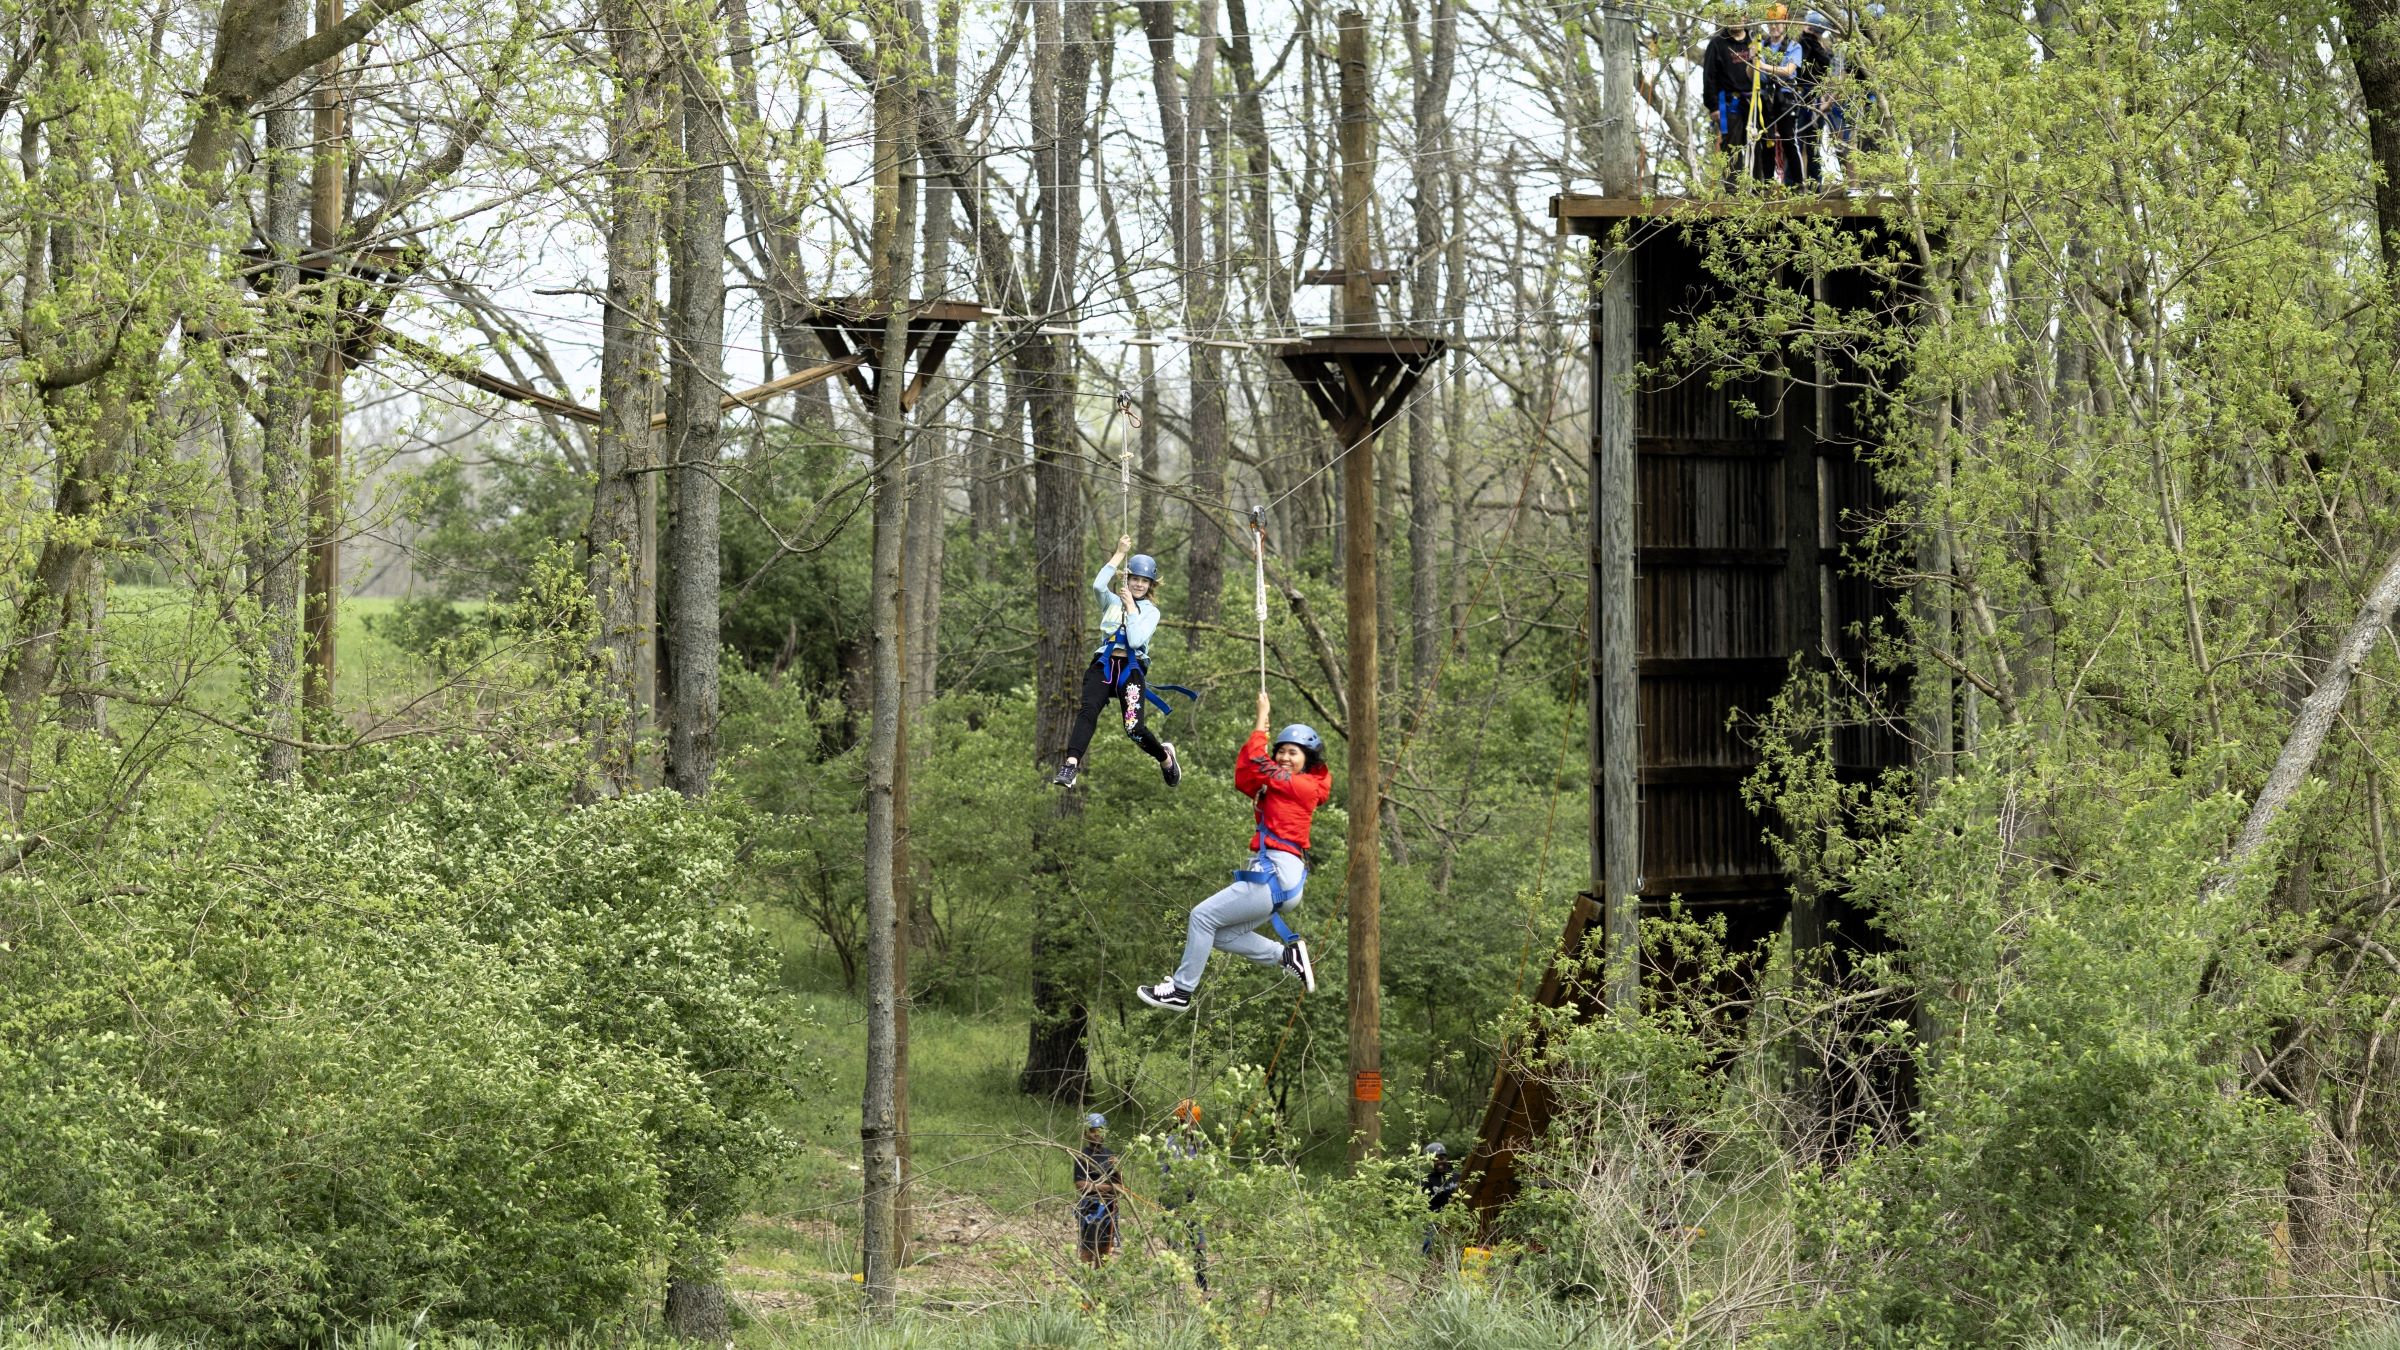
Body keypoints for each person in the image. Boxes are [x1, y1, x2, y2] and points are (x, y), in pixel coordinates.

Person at [1137, 692, 1329, 1011]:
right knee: (1219, 934)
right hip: (1278, 878)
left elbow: (1258, 761)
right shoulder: (1281, 785)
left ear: (1307, 760)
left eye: (1293, 753)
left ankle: (1181, 991)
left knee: (1201, 916)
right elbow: (1245, 775)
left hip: (1276, 876)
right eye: (1281, 752)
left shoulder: (1304, 786)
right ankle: (1286, 956)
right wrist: (1261, 739)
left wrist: (1262, 722)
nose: (1284, 758)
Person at [1051, 534, 1180, 791]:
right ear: (1127, 579)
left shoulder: (1151, 612)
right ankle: (1071, 765)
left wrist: (1131, 606)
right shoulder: (1111, 601)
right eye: (1135, 579)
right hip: (1104, 665)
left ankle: (1165, 758)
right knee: (1088, 711)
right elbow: (1098, 586)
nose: (1139, 585)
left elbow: (1135, 639)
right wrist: (1120, 553)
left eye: (1144, 581)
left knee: (1134, 728)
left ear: (1150, 585)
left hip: (1131, 670)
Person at [1162, 1099, 1208, 1291]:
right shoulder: (1171, 1141)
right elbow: (1169, 1172)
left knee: (1199, 1242)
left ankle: (1202, 1284)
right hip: (1172, 1196)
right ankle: (1174, 1286)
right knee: (1175, 1243)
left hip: (1191, 1197)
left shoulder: (1198, 1142)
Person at [1072, 1112, 1122, 1266]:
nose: (1096, 1135)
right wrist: (1106, 1188)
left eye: (1099, 1131)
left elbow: (1120, 1186)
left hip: (1109, 1207)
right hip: (1091, 1207)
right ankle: (1086, 1278)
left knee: (1105, 1247)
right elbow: (1080, 1184)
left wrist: (1118, 1168)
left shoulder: (1110, 1155)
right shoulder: (1083, 1156)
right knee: (1088, 1246)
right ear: (1086, 1133)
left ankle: (1099, 1279)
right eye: (1093, 1131)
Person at [1422, 1141, 1460, 1256]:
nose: (1439, 1162)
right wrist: (1440, 1216)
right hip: (1436, 1220)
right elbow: (1424, 1204)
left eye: (1441, 1158)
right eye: (1435, 1160)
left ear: (1446, 1158)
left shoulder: (1457, 1177)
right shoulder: (1427, 1180)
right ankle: (1427, 1267)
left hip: (1457, 1217)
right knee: (1430, 1243)